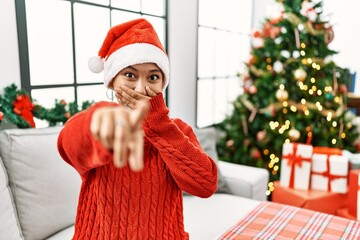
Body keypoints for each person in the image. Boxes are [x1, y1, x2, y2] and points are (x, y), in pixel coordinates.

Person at [57, 18, 218, 240]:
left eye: (153, 77)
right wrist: (101, 120)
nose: (141, 88)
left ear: (162, 84)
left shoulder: (177, 131)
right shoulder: (99, 121)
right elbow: (67, 145)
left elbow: (205, 185)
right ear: (112, 81)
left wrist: (158, 124)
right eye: (130, 75)